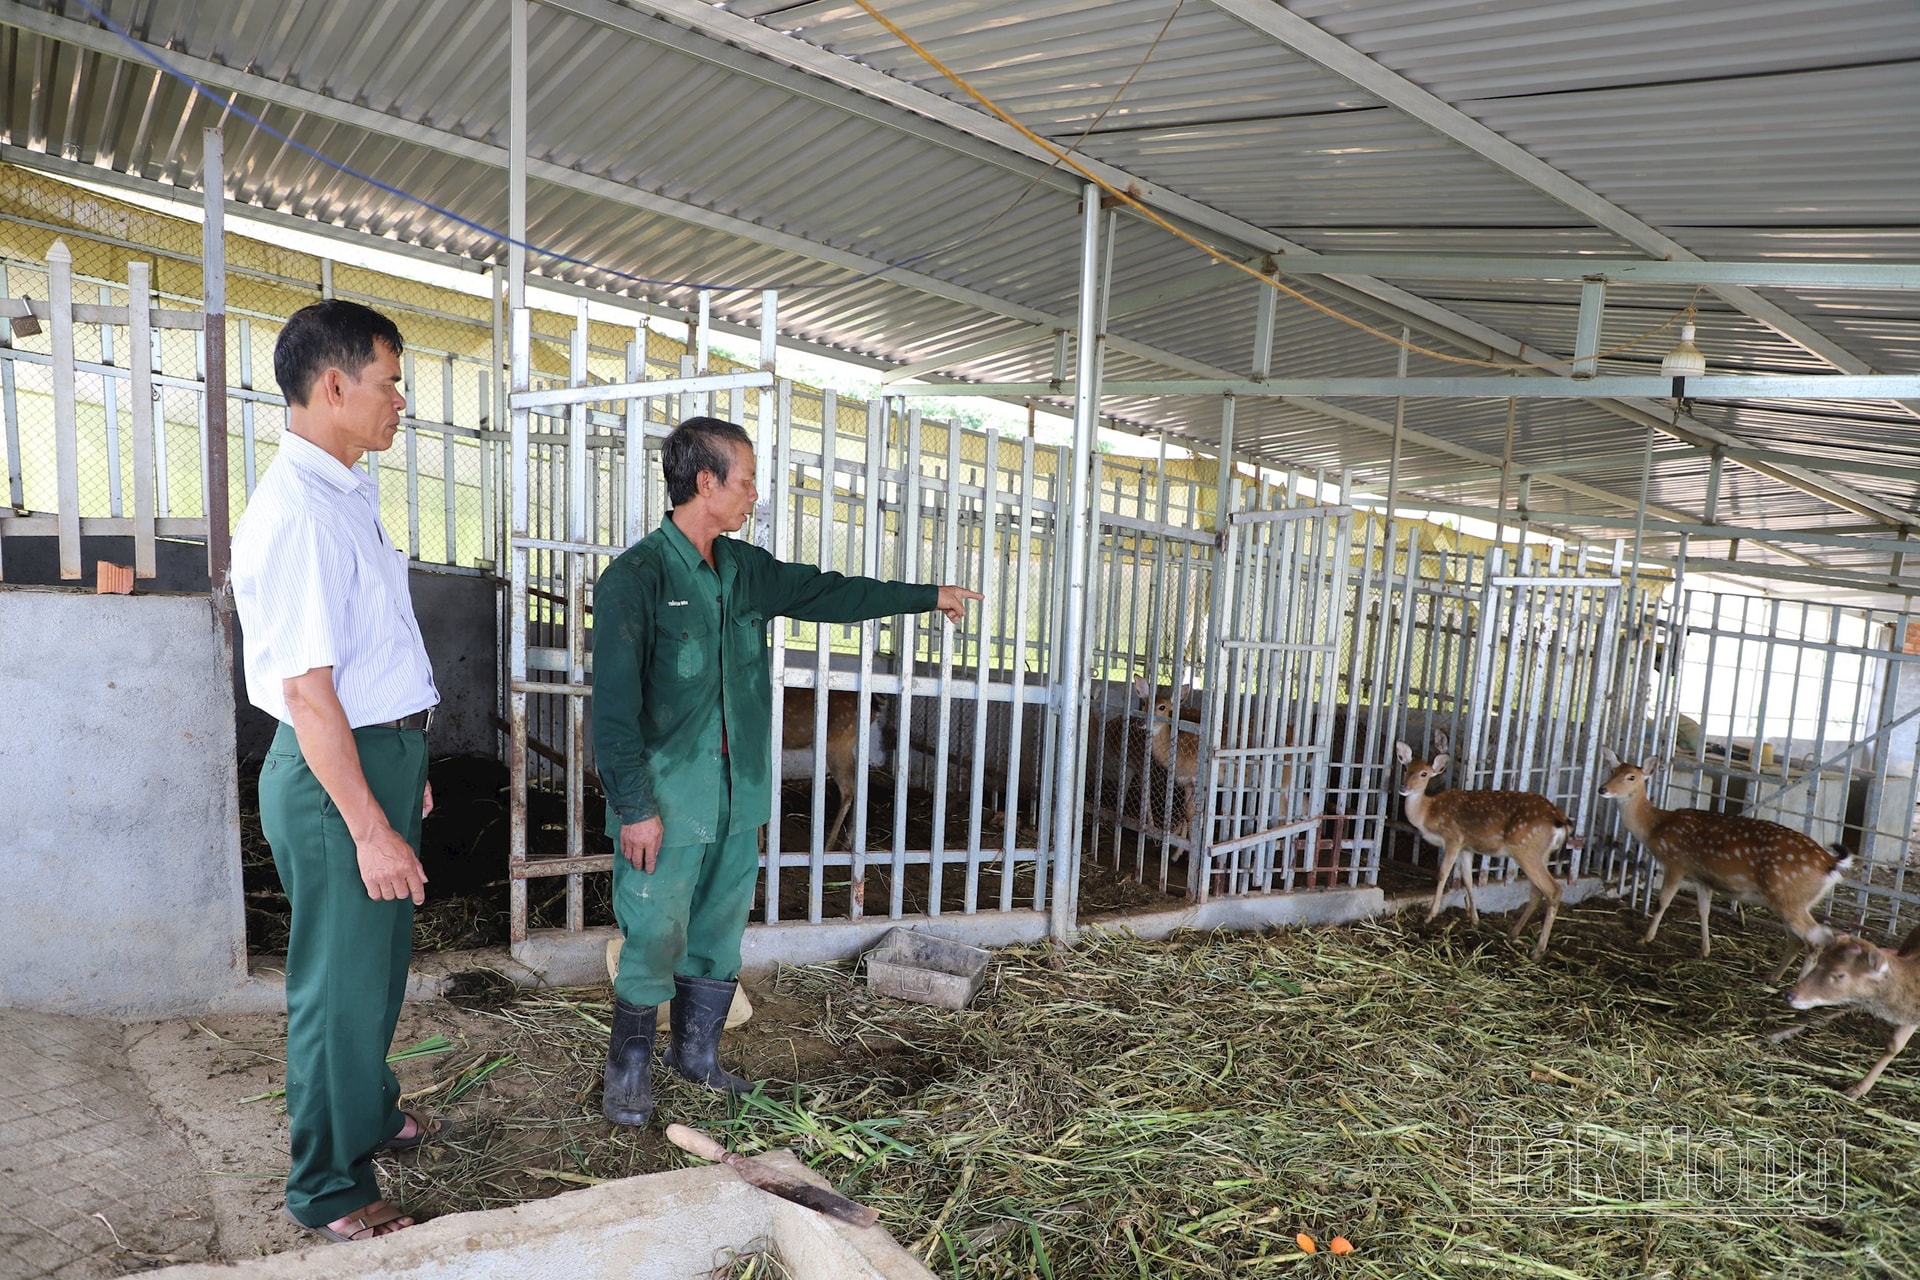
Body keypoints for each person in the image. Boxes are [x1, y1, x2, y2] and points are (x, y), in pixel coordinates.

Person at [591, 415, 981, 1126]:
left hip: (739, 800)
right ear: (705, 483)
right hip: (669, 802)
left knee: (717, 931)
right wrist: (632, 806)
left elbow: (831, 593)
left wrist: (926, 595)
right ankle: (628, 1080)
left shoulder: (745, 571)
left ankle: (698, 1058)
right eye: (745, 480)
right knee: (652, 932)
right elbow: (613, 712)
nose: (754, 495)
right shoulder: (636, 579)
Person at [231, 300, 446, 1243]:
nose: (402, 401)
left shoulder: (345, 492)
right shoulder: (300, 511)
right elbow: (310, 696)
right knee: (336, 984)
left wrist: (408, 761)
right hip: (332, 778)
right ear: (334, 386)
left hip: (375, 753)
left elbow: (366, 655)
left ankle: (364, 1116)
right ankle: (329, 1188)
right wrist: (368, 820)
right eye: (391, 381)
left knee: (376, 969)